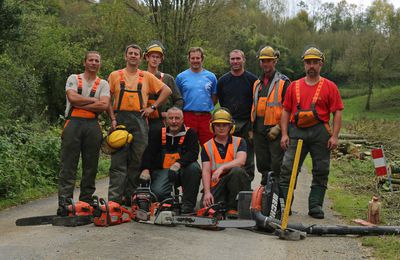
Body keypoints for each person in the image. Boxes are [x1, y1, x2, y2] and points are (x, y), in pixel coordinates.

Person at [280, 47, 343, 219]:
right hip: (296, 131)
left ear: (321, 64)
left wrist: (335, 136)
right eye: (308, 62)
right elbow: (285, 111)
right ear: (304, 64)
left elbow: (337, 112)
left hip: (320, 132)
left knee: (321, 169)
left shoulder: (330, 87)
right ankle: (284, 206)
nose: (311, 66)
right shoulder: (294, 86)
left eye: (315, 62)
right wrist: (284, 134)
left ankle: (315, 206)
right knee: (288, 169)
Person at [107, 43, 172, 205]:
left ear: (140, 57)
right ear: (125, 56)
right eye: (131, 53)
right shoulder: (115, 75)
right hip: (120, 121)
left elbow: (167, 91)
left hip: (140, 121)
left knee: (138, 161)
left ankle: (131, 198)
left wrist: (152, 107)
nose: (133, 56)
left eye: (136, 54)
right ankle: (114, 200)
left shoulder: (146, 76)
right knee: (118, 162)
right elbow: (106, 98)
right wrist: (112, 118)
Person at [58, 51, 110, 213]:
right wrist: (94, 100)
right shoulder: (74, 79)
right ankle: (65, 203)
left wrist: (83, 103)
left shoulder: (103, 83)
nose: (94, 63)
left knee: (91, 165)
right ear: (84, 62)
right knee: (68, 164)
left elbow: (103, 106)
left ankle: (86, 201)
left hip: (93, 125)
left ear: (99, 64)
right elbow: (72, 98)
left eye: (97, 60)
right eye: (91, 60)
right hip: (73, 123)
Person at [140, 107, 201, 214]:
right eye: (171, 118)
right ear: (166, 120)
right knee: (157, 193)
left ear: (182, 120)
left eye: (177, 118)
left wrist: (179, 163)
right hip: (164, 171)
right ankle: (171, 201)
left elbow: (193, 153)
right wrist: (145, 169)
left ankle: (188, 205)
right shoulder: (158, 132)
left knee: (194, 168)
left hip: (183, 170)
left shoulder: (190, 133)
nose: (174, 121)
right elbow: (149, 153)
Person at [250, 46, 290, 185]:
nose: (265, 64)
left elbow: (289, 109)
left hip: (275, 130)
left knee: (277, 164)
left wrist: (279, 127)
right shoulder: (257, 83)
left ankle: (277, 193)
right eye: (263, 61)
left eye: (269, 60)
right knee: (262, 163)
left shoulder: (284, 82)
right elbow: (254, 107)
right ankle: (264, 193)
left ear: (275, 61)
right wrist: (252, 128)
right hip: (259, 130)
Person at [201, 107, 251, 217]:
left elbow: (241, 161)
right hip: (217, 184)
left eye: (225, 125)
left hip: (235, 183)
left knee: (237, 171)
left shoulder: (239, 142)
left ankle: (233, 208)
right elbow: (205, 170)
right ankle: (223, 206)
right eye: (218, 125)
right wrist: (207, 192)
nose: (221, 128)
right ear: (212, 126)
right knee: (205, 208)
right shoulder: (206, 146)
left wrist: (222, 168)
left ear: (230, 127)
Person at [217, 49, 258, 181]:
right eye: (232, 59)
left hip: (247, 123)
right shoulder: (223, 80)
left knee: (247, 156)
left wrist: (252, 127)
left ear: (243, 60)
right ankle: (225, 182)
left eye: (238, 59)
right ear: (229, 61)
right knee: (226, 154)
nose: (235, 61)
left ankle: (246, 185)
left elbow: (256, 104)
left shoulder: (253, 80)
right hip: (228, 124)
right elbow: (221, 102)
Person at [176, 47, 218, 145]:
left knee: (209, 146)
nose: (195, 61)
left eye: (198, 58)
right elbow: (178, 97)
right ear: (189, 59)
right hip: (187, 116)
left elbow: (214, 97)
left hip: (206, 117)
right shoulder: (181, 77)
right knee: (187, 145)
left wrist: (205, 106)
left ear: (202, 59)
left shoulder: (211, 76)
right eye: (193, 58)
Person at [144, 40, 183, 134]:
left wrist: (170, 113)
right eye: (152, 56)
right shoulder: (140, 77)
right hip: (143, 120)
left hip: (162, 121)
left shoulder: (167, 78)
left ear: (161, 59)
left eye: (158, 57)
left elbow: (179, 100)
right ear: (147, 58)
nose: (155, 59)